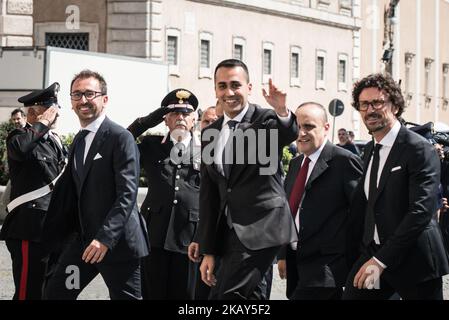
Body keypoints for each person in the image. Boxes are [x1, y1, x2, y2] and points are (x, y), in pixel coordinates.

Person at [42, 70, 149, 300]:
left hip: (117, 245)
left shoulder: (120, 137)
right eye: (77, 95)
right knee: (56, 293)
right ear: (70, 102)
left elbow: (127, 195)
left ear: (104, 99)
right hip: (84, 245)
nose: (83, 100)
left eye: (90, 94)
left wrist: (104, 239)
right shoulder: (78, 140)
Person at [197, 59, 298, 300]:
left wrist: (282, 111)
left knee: (227, 297)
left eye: (235, 85)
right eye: (222, 86)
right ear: (215, 90)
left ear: (249, 88)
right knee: (252, 298)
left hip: (262, 227)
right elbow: (210, 194)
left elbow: (286, 132)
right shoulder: (211, 133)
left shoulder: (264, 121)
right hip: (228, 234)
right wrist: (208, 250)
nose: (229, 92)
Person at [343, 73, 449, 300]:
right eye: (364, 104)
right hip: (375, 254)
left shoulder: (419, 148)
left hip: (415, 259)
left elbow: (420, 211)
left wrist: (382, 260)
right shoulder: (370, 149)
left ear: (396, 106)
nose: (370, 110)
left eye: (377, 102)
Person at [277, 102, 362, 300]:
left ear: (326, 128)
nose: (302, 132)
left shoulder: (343, 161)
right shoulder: (297, 163)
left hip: (327, 266)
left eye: (309, 126)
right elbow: (288, 211)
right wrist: (283, 253)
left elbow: (360, 214)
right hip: (297, 262)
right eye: (298, 126)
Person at [127, 88, 201, 299]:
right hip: (154, 235)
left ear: (194, 119)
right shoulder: (151, 146)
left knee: (186, 296)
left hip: (190, 237)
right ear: (165, 120)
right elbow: (119, 142)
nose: (180, 118)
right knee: (152, 293)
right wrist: (144, 122)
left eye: (186, 114)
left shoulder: (207, 150)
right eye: (174, 114)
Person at [0, 83, 67, 300]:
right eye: (49, 109)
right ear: (32, 112)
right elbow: (20, 150)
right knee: (28, 292)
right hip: (29, 228)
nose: (54, 114)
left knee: (47, 291)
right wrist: (43, 122)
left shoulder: (55, 142)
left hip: (53, 227)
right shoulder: (18, 137)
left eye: (55, 109)